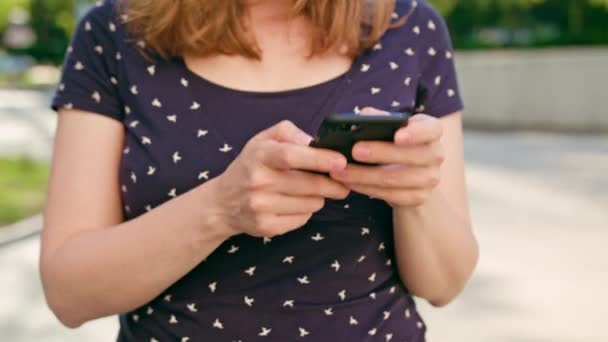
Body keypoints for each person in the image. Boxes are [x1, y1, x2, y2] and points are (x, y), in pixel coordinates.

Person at [40, 0, 478, 340]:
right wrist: (219, 209)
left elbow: (445, 284)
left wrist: (416, 196)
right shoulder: (114, 32)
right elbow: (68, 294)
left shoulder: (411, 28)